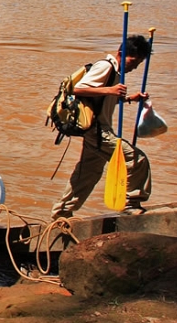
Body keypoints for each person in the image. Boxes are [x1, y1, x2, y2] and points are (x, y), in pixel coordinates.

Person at [50, 34, 153, 219]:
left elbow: (104, 100)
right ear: (121, 53)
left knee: (88, 173)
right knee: (136, 159)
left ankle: (61, 213)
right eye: (132, 61)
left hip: (99, 130)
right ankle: (131, 203)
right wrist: (110, 89)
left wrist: (130, 98)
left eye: (138, 64)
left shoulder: (116, 73)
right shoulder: (106, 66)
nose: (133, 67)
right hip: (97, 131)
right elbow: (77, 89)